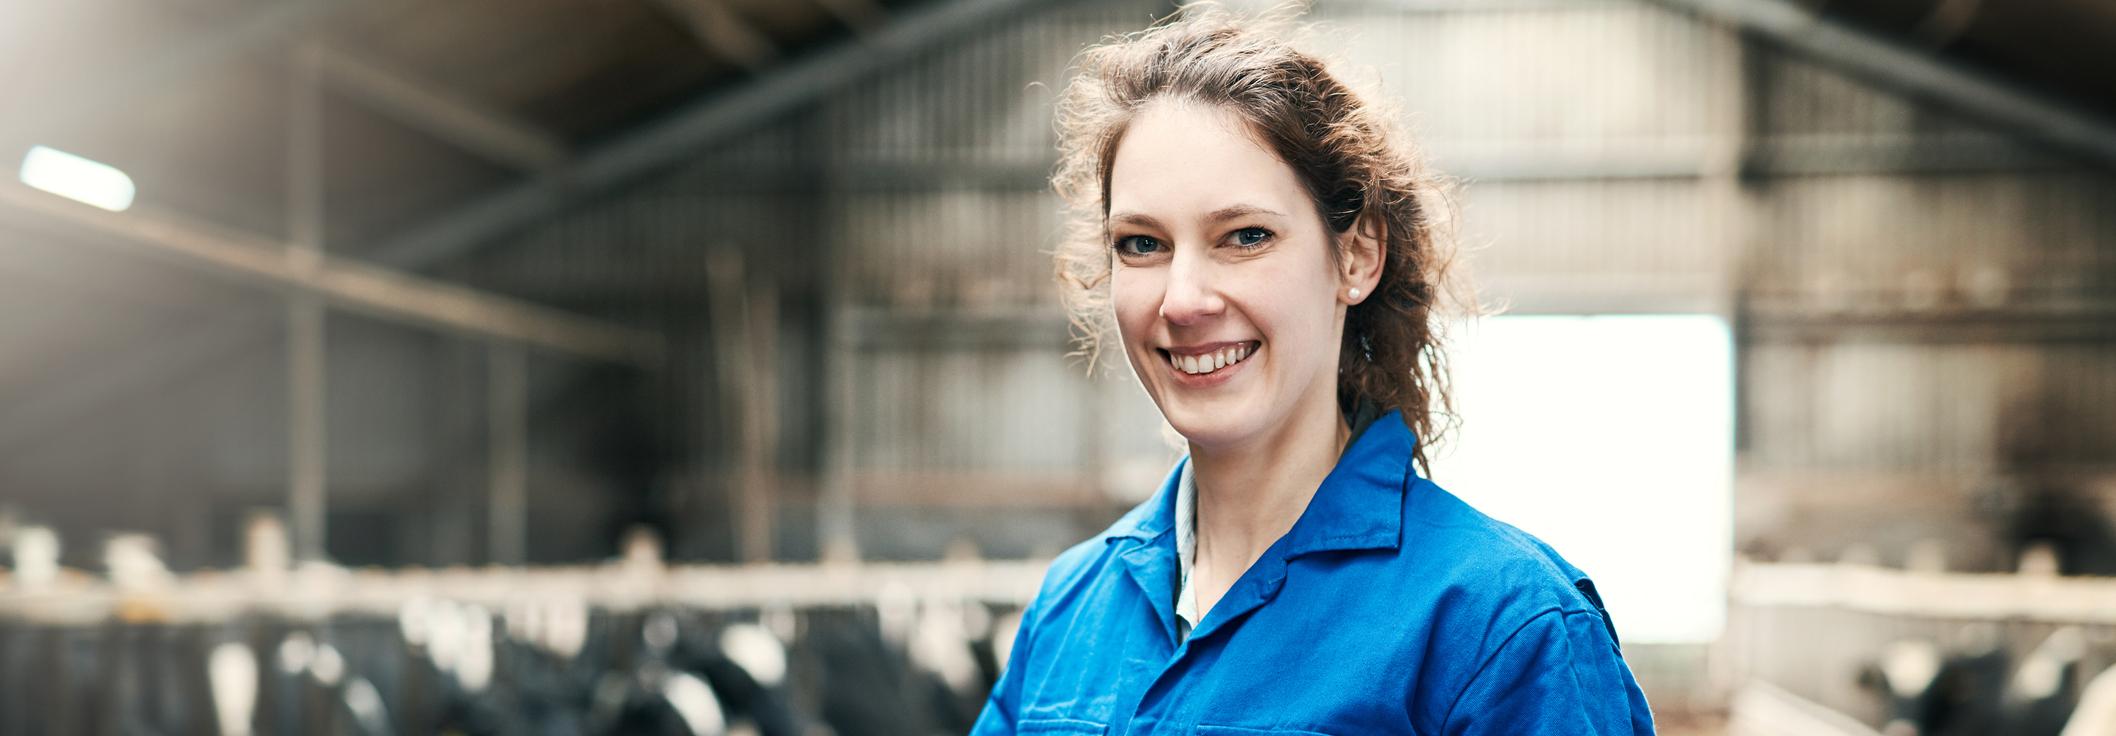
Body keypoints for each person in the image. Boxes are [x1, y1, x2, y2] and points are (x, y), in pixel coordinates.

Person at [970, 7, 1656, 735]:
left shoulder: (1503, 627)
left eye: (1245, 236)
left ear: (1357, 256)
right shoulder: (1071, 609)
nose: (1183, 300)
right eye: (1142, 244)